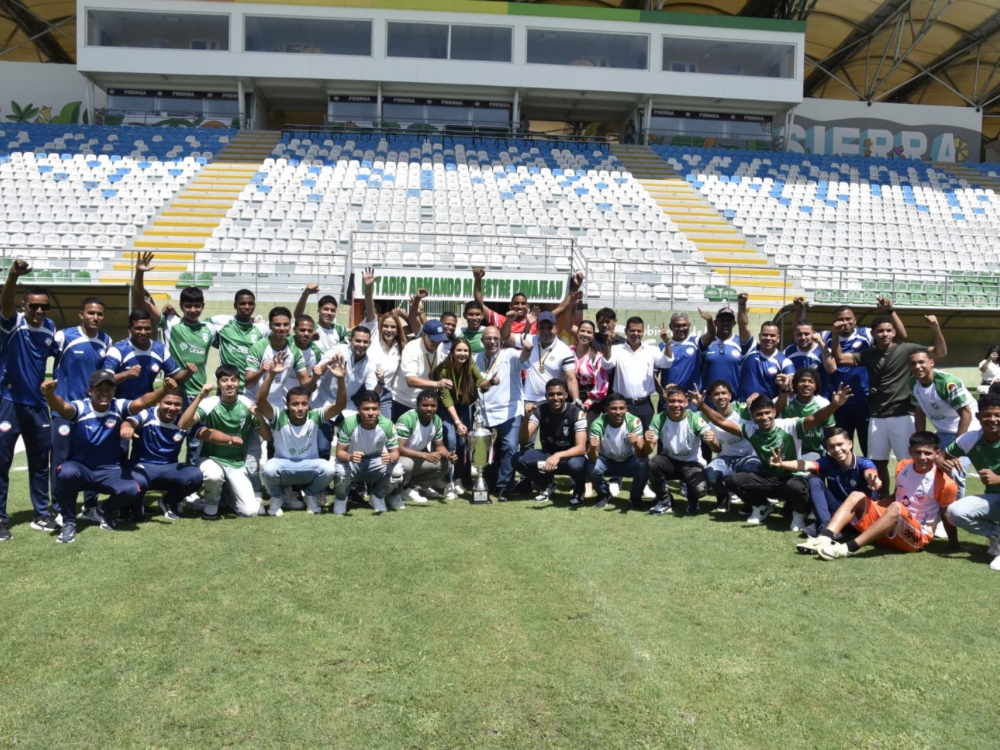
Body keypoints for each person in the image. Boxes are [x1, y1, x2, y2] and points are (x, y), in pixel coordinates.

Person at [691, 384, 851, 530]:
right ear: (753, 416)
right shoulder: (751, 429)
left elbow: (815, 418)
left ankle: (798, 515)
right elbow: (721, 421)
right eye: (759, 414)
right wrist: (701, 405)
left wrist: (835, 405)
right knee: (732, 481)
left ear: (774, 412)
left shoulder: (790, 426)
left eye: (768, 412)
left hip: (790, 478)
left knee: (798, 487)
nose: (764, 417)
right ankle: (762, 506)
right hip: (768, 479)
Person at [42, 370, 175, 543]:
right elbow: (62, 407)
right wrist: (49, 394)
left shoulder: (118, 406)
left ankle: (103, 509)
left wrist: (164, 391)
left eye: (109, 388)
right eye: (99, 388)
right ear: (90, 391)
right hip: (81, 469)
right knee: (65, 472)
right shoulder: (81, 407)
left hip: (109, 471)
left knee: (135, 487)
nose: (104, 393)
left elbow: (142, 402)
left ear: (114, 391)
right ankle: (69, 522)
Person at [830, 313, 946, 494]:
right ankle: (883, 497)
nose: (884, 334)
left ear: (893, 333)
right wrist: (835, 334)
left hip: (902, 415)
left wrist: (935, 328)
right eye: (880, 331)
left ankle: (910, 496)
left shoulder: (907, 349)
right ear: (873, 334)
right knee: (878, 462)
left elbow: (940, 352)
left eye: (888, 331)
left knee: (907, 461)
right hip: (876, 417)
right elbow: (839, 358)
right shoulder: (868, 355)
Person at [801, 432, 961, 560]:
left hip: (916, 537)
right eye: (918, 452)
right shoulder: (903, 466)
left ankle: (846, 548)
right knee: (858, 495)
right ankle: (824, 538)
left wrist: (955, 545)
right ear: (910, 451)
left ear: (937, 454)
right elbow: (896, 496)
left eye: (928, 453)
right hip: (889, 527)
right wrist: (872, 506)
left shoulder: (946, 483)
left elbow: (947, 516)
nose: (922, 457)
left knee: (897, 507)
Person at [0, 260, 57, 541]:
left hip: (37, 405)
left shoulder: (50, 328)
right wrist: (13, 275)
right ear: (24, 306)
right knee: (1, 462)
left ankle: (41, 514)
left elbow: (61, 358)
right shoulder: (13, 322)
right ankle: (0, 518)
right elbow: (6, 303)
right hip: (8, 402)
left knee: (40, 462)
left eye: (43, 306)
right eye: (33, 305)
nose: (38, 311)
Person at [804, 298, 905, 454]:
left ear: (854, 320)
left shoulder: (866, 334)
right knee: (839, 446)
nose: (845, 322)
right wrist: (799, 311)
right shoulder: (826, 335)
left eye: (848, 319)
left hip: (864, 401)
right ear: (834, 321)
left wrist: (890, 311)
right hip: (839, 402)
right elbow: (801, 328)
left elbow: (900, 336)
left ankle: (867, 477)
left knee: (869, 447)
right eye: (840, 319)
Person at [256, 351, 347, 516]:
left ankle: (310, 495)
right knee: (268, 469)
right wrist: (271, 375)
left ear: (308, 405)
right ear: (288, 405)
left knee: (328, 469)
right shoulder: (279, 415)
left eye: (304, 404)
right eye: (295, 404)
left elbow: (340, 406)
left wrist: (341, 379)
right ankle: (277, 497)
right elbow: (260, 402)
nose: (300, 408)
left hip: (308, 467)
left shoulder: (314, 415)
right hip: (284, 467)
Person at [49, 297, 112, 524]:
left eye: (99, 314)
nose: (95, 317)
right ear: (81, 314)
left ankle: (90, 505)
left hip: (92, 413)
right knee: (60, 460)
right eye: (91, 313)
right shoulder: (64, 336)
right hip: (65, 411)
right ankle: (59, 508)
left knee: (91, 460)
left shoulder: (106, 340)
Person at [178, 365, 264, 520]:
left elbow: (266, 436)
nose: (229, 384)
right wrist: (200, 396)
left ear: (239, 383)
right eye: (224, 380)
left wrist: (259, 417)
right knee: (213, 476)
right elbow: (183, 424)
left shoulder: (246, 402)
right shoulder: (210, 403)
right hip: (210, 459)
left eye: (233, 380)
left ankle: (226, 495)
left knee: (250, 512)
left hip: (236, 463)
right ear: (218, 384)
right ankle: (211, 506)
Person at [770, 428, 881, 544]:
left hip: (862, 515)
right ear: (827, 449)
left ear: (850, 444)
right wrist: (782, 464)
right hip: (839, 509)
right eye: (832, 446)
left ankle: (828, 528)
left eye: (840, 444)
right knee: (814, 480)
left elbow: (870, 473)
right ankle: (826, 527)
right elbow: (806, 465)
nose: (837, 449)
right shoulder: (829, 462)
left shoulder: (863, 463)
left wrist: (874, 480)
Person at [121, 388, 204, 521]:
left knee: (195, 476)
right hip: (142, 468)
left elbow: (204, 432)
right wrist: (127, 427)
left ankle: (169, 501)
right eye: (168, 403)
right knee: (135, 514)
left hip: (169, 469)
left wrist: (229, 439)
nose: (172, 408)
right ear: (159, 401)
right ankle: (134, 504)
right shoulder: (146, 414)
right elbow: (129, 422)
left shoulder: (183, 421)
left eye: (177, 404)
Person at [941, 393, 1000, 571]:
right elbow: (942, 456)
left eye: (998, 414)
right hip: (995, 500)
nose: (993, 419)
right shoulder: (970, 439)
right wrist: (945, 462)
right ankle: (998, 536)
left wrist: (998, 479)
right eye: (987, 415)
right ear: (978, 417)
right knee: (954, 512)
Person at [909, 348, 977, 499]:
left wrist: (957, 450)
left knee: (955, 471)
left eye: (921, 362)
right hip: (943, 432)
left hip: (967, 430)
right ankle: (935, 511)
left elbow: (966, 414)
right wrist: (920, 441)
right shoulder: (913, 382)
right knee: (926, 464)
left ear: (931, 362)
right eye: (913, 363)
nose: (917, 366)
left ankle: (956, 514)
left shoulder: (947, 383)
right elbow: (919, 411)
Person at [163, 286, 220, 466]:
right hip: (176, 394)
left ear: (202, 306)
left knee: (195, 441)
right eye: (188, 306)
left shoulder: (209, 329)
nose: (193, 310)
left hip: (199, 395)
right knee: (173, 437)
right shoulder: (171, 324)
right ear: (181, 305)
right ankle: (170, 476)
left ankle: (191, 482)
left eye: (197, 306)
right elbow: (142, 302)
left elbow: (226, 345)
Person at [643, 387, 720, 516]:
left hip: (692, 463)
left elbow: (716, 449)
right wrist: (647, 441)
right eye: (672, 401)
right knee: (653, 464)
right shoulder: (660, 418)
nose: (676, 405)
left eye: (680, 401)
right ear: (666, 402)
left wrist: (712, 441)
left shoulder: (694, 419)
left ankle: (693, 500)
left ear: (686, 402)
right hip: (669, 462)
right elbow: (649, 449)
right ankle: (665, 501)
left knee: (700, 490)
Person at [475, 325, 531, 501]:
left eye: (495, 338)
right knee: (487, 447)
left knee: (509, 446)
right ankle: (489, 482)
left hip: (510, 410)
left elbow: (524, 357)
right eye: (488, 338)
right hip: (485, 412)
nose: (492, 342)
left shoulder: (510, 354)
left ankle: (505, 487)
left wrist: (527, 348)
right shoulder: (475, 358)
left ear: (501, 340)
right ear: (482, 341)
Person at [515, 378, 587, 506]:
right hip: (548, 456)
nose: (555, 398)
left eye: (559, 394)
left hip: (570, 457)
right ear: (546, 396)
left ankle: (579, 489)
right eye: (551, 394)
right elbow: (524, 440)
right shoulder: (539, 410)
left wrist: (558, 455)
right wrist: (526, 418)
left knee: (577, 465)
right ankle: (547, 484)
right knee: (518, 459)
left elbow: (581, 448)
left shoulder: (576, 413)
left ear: (566, 395)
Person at [434, 338, 489, 498]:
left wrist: (490, 382)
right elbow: (446, 398)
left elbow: (480, 381)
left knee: (462, 442)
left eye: (465, 351)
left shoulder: (470, 364)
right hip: (446, 408)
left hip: (464, 406)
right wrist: (457, 422)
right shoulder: (443, 369)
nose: (462, 354)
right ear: (452, 352)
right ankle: (447, 482)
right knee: (450, 439)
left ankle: (458, 479)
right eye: (459, 350)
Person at [332, 390, 401, 515]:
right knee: (341, 471)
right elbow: (340, 453)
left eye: (374, 409)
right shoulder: (348, 423)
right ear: (358, 410)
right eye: (366, 409)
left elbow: (395, 452)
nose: (371, 413)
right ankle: (341, 499)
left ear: (379, 410)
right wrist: (350, 456)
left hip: (376, 461)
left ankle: (377, 497)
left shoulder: (387, 425)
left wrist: (390, 458)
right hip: (353, 463)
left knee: (397, 471)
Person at [601, 316, 673, 430]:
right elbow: (606, 364)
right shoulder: (616, 349)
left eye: (639, 331)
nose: (636, 333)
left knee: (644, 442)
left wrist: (667, 342)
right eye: (632, 330)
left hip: (644, 405)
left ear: (643, 332)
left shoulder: (651, 350)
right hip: (622, 405)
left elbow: (667, 363)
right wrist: (608, 344)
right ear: (626, 332)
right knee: (622, 441)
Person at [700, 380, 760, 512]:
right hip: (725, 458)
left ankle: (751, 501)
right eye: (716, 394)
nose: (721, 397)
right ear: (710, 398)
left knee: (751, 471)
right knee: (711, 475)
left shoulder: (744, 409)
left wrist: (757, 395)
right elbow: (717, 449)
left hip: (748, 456)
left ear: (730, 396)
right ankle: (723, 496)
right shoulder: (704, 416)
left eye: (724, 393)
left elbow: (770, 408)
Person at [103, 310, 191, 400]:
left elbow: (177, 376)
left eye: (147, 328)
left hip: (147, 406)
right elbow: (104, 380)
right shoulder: (117, 350)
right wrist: (126, 374)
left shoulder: (161, 349)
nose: (143, 332)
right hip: (121, 406)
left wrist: (189, 372)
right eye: (138, 328)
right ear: (129, 328)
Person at [587, 393, 649, 509]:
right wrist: (593, 447)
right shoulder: (597, 424)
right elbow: (592, 458)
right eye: (613, 408)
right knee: (592, 467)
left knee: (643, 463)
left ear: (626, 408)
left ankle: (635, 497)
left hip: (629, 460)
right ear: (606, 409)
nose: (618, 412)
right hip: (607, 461)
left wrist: (636, 444)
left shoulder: (634, 421)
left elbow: (641, 453)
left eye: (621, 408)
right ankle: (604, 494)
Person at [394, 390, 453, 504]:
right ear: (417, 405)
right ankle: (397, 492)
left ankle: (413, 489)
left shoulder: (437, 420)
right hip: (399, 458)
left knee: (447, 463)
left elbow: (439, 445)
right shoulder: (408, 418)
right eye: (425, 405)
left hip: (417, 456)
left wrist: (449, 455)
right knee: (407, 465)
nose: (429, 409)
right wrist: (425, 455)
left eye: (433, 405)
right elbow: (399, 448)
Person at [360, 269, 405, 418]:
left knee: (386, 433)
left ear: (398, 330)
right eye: (385, 326)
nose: (389, 330)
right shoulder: (373, 335)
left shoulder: (400, 347)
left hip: (385, 396)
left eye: (393, 327)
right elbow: (370, 310)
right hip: (362, 393)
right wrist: (368, 288)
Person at [314, 325, 379, 417]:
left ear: (370, 343)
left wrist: (380, 382)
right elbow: (318, 371)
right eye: (358, 341)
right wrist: (331, 361)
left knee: (356, 427)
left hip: (346, 406)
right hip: (324, 401)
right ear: (350, 340)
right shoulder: (338, 350)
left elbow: (371, 391)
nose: (361, 345)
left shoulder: (370, 364)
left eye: (365, 342)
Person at [393, 320, 451, 421]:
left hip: (425, 404)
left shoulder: (439, 346)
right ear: (424, 335)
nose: (437, 343)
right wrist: (437, 384)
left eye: (439, 340)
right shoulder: (412, 349)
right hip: (404, 402)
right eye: (433, 340)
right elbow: (410, 380)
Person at [737, 304, 795, 402]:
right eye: (765, 335)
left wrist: (785, 384)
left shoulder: (784, 361)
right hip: (744, 409)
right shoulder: (750, 348)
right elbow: (743, 325)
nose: (768, 338)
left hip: (767, 412)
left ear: (778, 338)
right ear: (759, 336)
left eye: (772, 335)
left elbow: (791, 382)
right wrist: (742, 304)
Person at [210, 288, 267, 388]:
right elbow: (197, 328)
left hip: (251, 386)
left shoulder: (261, 328)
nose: (247, 307)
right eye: (242, 303)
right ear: (235, 305)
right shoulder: (222, 321)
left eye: (250, 303)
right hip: (227, 385)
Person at [521, 311, 580, 407]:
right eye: (542, 328)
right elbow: (506, 336)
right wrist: (516, 322)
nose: (546, 331)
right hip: (529, 400)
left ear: (556, 328)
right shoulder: (531, 340)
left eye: (549, 327)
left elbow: (571, 379)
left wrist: (576, 399)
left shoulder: (564, 350)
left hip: (552, 402)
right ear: (537, 329)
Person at [658, 311, 714, 410]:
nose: (681, 329)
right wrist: (663, 393)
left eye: (684, 325)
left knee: (693, 425)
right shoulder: (662, 346)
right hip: (670, 400)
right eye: (677, 326)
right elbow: (654, 375)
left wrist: (709, 321)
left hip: (692, 400)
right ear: (671, 327)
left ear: (689, 326)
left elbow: (711, 335)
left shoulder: (696, 342)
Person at [775, 368, 833, 460]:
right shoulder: (785, 399)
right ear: (795, 384)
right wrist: (784, 389)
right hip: (786, 450)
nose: (806, 384)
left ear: (816, 386)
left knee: (806, 472)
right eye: (802, 381)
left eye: (811, 381)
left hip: (811, 451)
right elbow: (774, 411)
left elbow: (829, 431)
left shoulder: (823, 403)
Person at [700, 300, 750, 400]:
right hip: (708, 400)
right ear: (715, 323)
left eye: (729, 320)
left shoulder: (741, 343)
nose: (725, 323)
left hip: (733, 399)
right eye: (722, 320)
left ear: (734, 323)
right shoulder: (706, 342)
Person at [573, 320, 609, 425]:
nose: (585, 334)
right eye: (582, 331)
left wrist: (587, 403)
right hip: (568, 397)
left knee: (586, 432)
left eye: (589, 332)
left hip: (591, 400)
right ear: (577, 333)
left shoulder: (598, 357)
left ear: (593, 336)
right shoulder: (567, 352)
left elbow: (601, 387)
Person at [293, 282, 350, 351]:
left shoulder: (339, 329)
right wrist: (306, 294)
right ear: (318, 311)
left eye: (332, 310)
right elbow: (298, 316)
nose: (329, 313)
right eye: (326, 309)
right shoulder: (312, 328)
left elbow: (353, 332)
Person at [783, 310, 826, 394]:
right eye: (799, 334)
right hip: (794, 399)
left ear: (813, 333)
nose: (803, 337)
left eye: (806, 334)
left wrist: (821, 343)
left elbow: (831, 369)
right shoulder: (788, 351)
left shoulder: (822, 350)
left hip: (818, 398)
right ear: (795, 334)